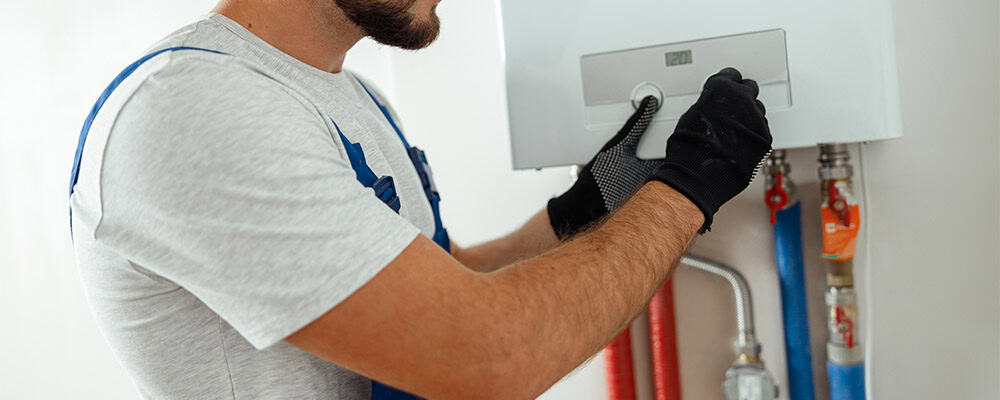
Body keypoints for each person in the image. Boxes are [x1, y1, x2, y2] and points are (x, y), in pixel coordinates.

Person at [68, 0, 772, 398]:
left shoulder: (343, 94)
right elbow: (486, 359)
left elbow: (440, 282)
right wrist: (687, 190)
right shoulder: (196, 110)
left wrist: (580, 211)